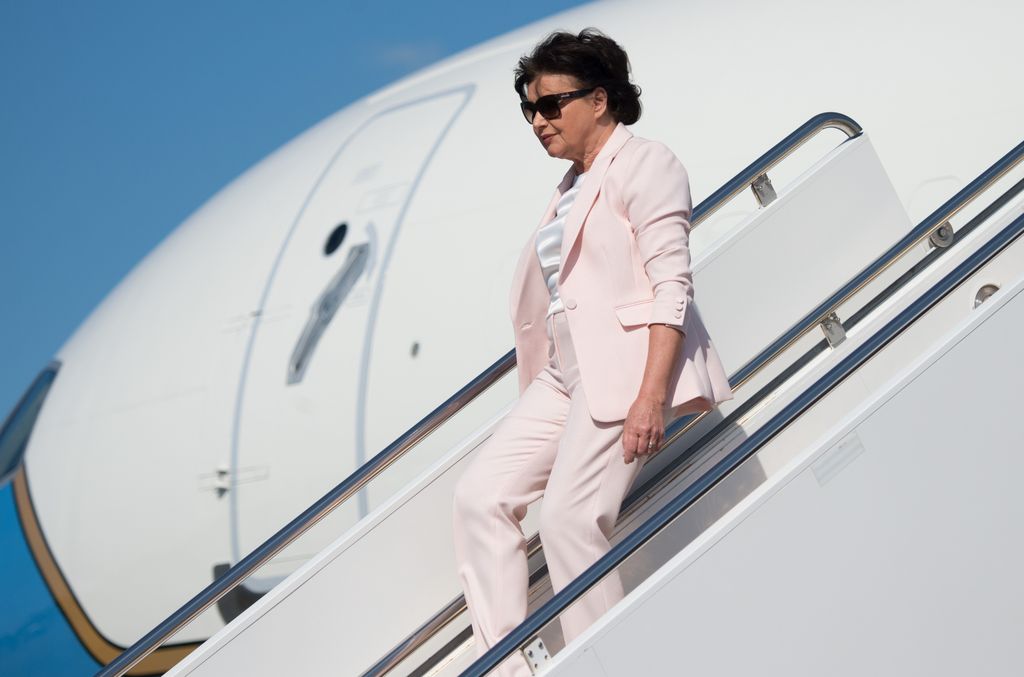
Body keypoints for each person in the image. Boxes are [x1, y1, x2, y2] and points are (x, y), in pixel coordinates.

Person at [451, 28, 733, 676]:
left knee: (570, 521)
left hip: (626, 368)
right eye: (529, 108)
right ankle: (505, 664)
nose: (538, 121)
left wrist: (651, 395)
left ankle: (605, 660)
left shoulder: (647, 164)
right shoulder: (568, 189)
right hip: (562, 375)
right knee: (479, 495)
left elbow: (672, 285)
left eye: (552, 104)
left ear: (600, 100)